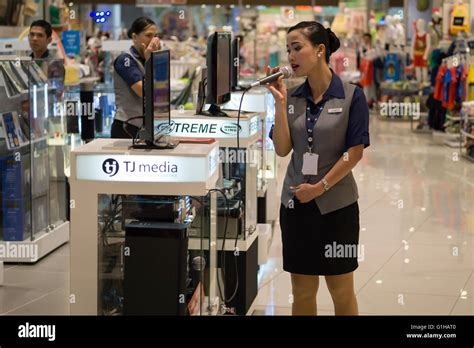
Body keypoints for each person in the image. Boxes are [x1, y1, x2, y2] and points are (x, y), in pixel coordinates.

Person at [266, 21, 370, 316]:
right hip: (296, 207)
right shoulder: (293, 97)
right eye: (288, 50)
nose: (290, 57)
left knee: (341, 290)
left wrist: (320, 187)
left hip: (338, 210)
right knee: (301, 291)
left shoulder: (352, 96)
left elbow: (355, 152)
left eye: (297, 48)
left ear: (320, 50)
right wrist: (279, 103)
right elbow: (283, 148)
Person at [112, 17, 161, 138]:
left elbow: (161, 87)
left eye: (155, 36)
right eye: (148, 35)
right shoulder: (125, 60)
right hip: (127, 127)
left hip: (146, 125)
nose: (153, 40)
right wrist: (150, 60)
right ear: (134, 37)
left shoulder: (146, 58)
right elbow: (143, 91)